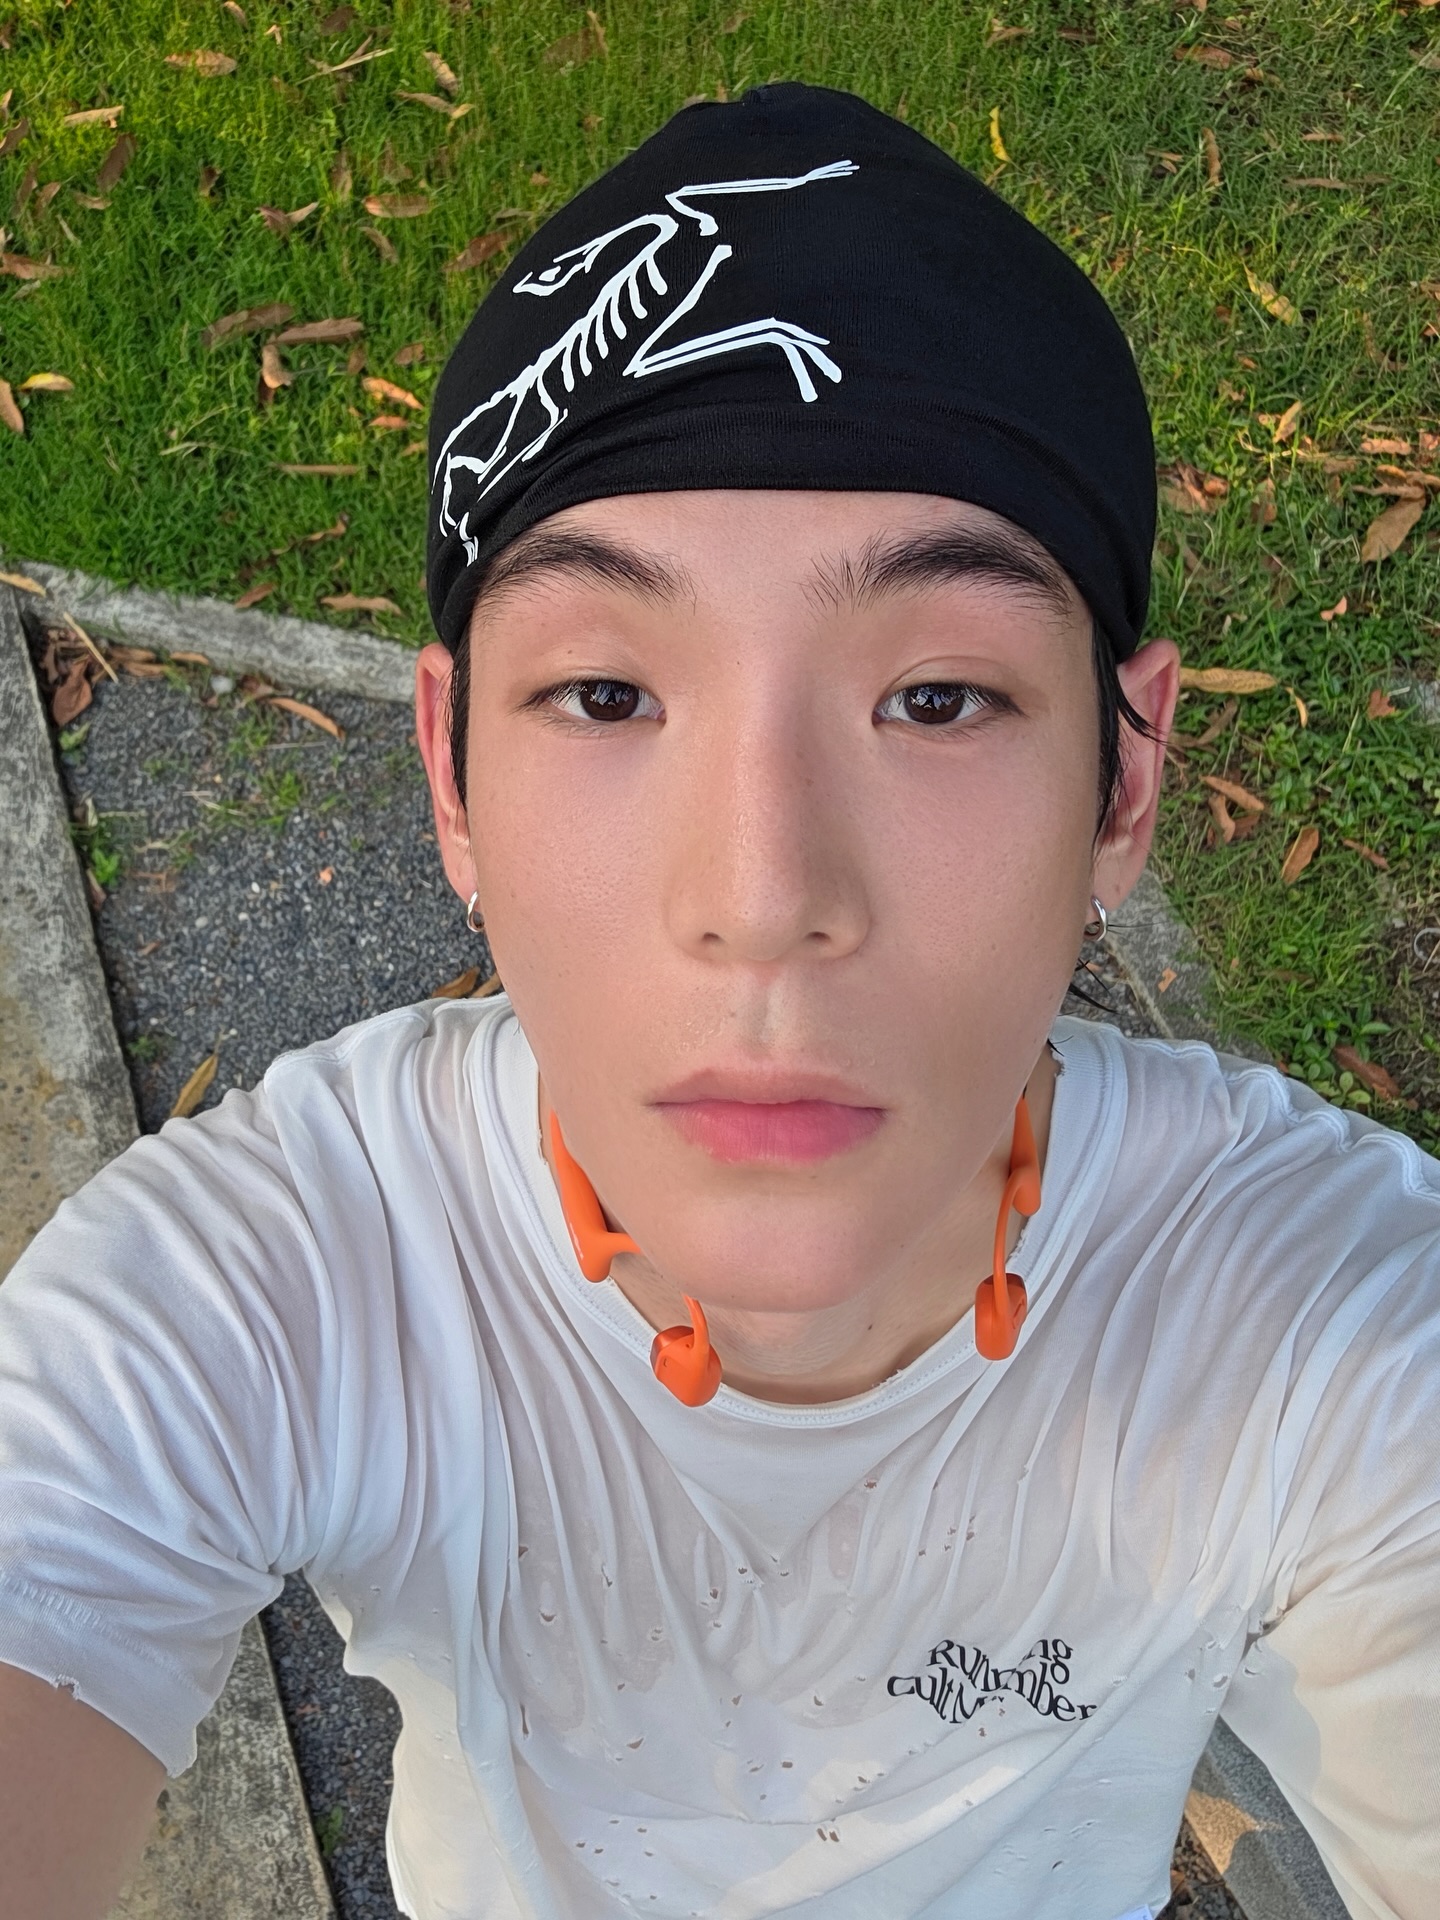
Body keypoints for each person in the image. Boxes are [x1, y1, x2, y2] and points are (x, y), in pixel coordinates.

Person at [1, 82, 1436, 1920]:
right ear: (451, 773)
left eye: (936, 699)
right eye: (607, 696)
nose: (764, 902)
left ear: (1125, 778)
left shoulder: (1322, 1326)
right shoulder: (272, 1286)